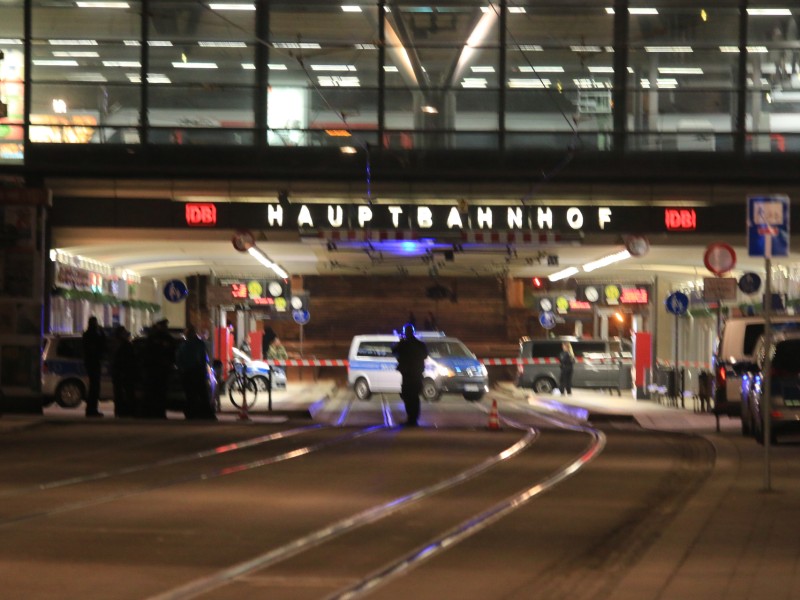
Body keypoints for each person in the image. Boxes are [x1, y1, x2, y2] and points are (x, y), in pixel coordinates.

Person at [392, 323, 428, 427]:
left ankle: (410, 418)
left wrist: (400, 340)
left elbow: (394, 351)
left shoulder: (404, 343)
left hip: (407, 375)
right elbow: (425, 355)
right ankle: (414, 418)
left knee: (407, 396)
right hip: (416, 374)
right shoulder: (420, 344)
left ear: (406, 332)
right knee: (414, 397)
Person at [177, 324, 216, 420]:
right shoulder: (199, 344)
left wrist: (181, 369)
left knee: (190, 394)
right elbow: (203, 359)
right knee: (202, 394)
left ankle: (191, 414)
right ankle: (207, 414)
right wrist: (204, 371)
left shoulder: (183, 345)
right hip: (197, 372)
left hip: (187, 373)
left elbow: (178, 359)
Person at [141, 318, 176, 418]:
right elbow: (147, 353)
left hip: (160, 370)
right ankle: (155, 413)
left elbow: (172, 353)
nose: (165, 328)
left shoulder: (164, 338)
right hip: (155, 369)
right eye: (164, 326)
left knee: (159, 392)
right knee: (155, 392)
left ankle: (158, 413)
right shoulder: (154, 338)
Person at [82, 316, 106, 417]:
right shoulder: (94, 335)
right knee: (94, 388)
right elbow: (103, 344)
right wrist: (102, 332)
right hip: (94, 363)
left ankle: (91, 409)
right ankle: (92, 410)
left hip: (90, 363)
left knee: (93, 388)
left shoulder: (87, 334)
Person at [111, 326, 137, 417]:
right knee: (125, 393)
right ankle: (125, 411)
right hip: (124, 372)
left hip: (120, 373)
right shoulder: (124, 345)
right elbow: (127, 359)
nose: (127, 334)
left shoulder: (116, 344)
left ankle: (121, 411)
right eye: (124, 332)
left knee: (120, 393)